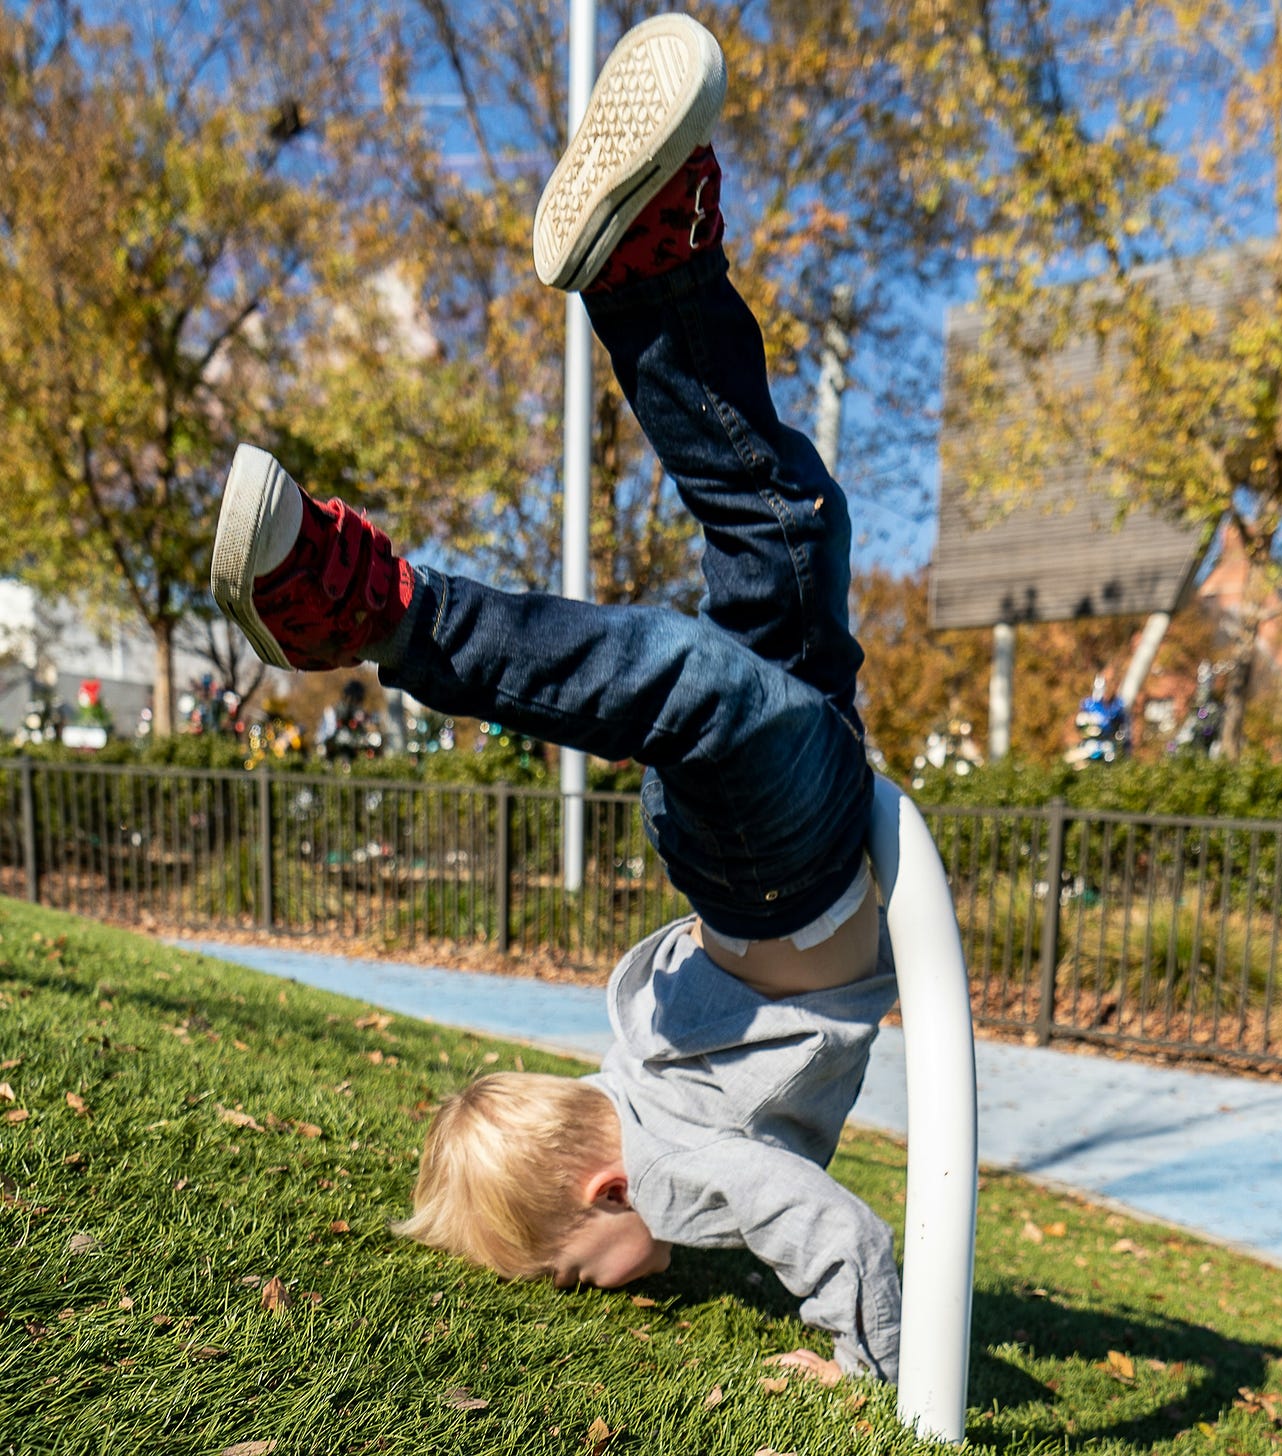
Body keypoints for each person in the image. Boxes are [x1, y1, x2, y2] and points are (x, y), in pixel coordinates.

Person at [209, 13, 899, 1381]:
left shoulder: (677, 1174)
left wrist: (860, 1361)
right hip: (759, 874)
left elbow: (839, 1237)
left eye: (581, 1279)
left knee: (675, 679)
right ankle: (653, 279)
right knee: (785, 527)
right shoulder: (625, 1099)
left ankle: (380, 614)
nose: (601, 1292)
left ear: (606, 1199)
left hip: (779, 878)